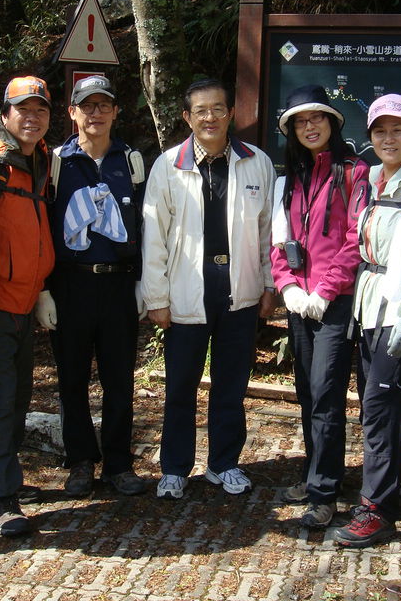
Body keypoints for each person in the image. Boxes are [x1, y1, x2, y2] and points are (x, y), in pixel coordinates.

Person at [142, 78, 276, 500]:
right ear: (187, 117)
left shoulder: (256, 162)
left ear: (230, 113)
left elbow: (268, 230)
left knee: (231, 385)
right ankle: (175, 468)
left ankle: (224, 464)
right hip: (186, 291)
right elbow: (154, 236)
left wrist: (270, 283)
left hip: (240, 291)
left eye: (218, 108)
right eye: (201, 110)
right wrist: (156, 297)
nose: (210, 117)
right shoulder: (168, 165)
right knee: (180, 385)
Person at [333, 93, 401, 547]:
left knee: (378, 409)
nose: (388, 138)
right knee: (383, 403)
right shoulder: (375, 178)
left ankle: (375, 508)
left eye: (398, 129)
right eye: (380, 130)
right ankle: (397, 486)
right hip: (370, 305)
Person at [269, 85, 369, 528]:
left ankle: (324, 492)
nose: (310, 127)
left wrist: (325, 290)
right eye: (301, 121)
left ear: (332, 123)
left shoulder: (355, 172)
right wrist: (287, 286)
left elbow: (356, 239)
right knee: (308, 392)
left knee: (327, 394)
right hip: (298, 302)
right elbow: (278, 241)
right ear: (291, 130)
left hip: (336, 302)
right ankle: (317, 475)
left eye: (318, 119)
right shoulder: (288, 177)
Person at [48, 75, 147, 497]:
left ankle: (119, 463)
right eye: (87, 106)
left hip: (119, 286)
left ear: (115, 112)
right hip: (71, 286)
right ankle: (81, 462)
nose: (96, 113)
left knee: (119, 379)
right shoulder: (55, 163)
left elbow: (148, 225)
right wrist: (43, 290)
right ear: (72, 112)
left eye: (104, 105)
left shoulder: (132, 161)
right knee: (72, 380)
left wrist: (146, 282)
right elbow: (44, 226)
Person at [0, 76, 56, 536]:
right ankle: (0, 500)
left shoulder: (39, 159)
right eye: (23, 109)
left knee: (17, 397)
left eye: (40, 109)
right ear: (4, 115)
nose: (32, 117)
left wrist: (41, 288)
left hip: (24, 300)